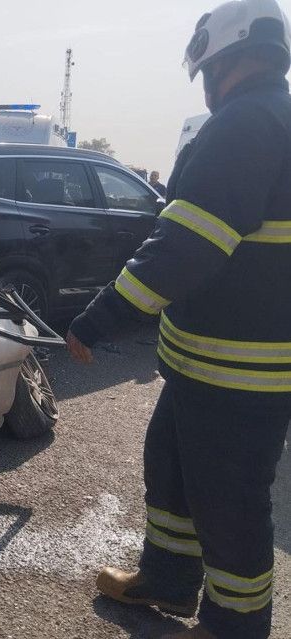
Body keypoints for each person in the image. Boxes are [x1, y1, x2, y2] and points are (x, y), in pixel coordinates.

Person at [65, 1, 291, 638]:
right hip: (209, 368)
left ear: (223, 58)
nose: (206, 87)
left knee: (229, 503)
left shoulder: (248, 123)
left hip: (238, 374)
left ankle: (235, 626)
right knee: (171, 471)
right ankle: (167, 578)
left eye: (207, 72)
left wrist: (99, 318)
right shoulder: (271, 117)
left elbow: (185, 246)